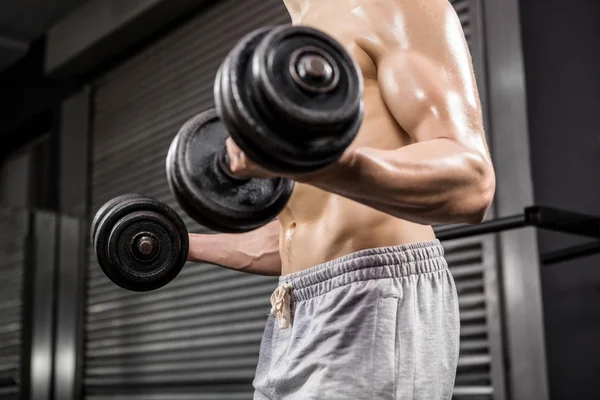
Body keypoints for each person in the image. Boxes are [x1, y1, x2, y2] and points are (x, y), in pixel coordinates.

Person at [188, 0, 496, 398]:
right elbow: (299, 236)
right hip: (293, 306)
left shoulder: (392, 5)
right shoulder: (294, 37)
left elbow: (471, 182)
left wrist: (305, 163)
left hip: (379, 294)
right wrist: (183, 245)